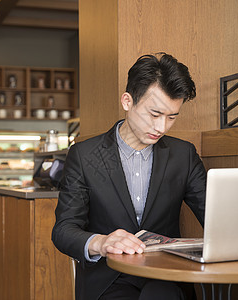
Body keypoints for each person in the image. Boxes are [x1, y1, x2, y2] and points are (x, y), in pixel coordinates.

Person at [52, 52, 206, 300]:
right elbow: (63, 230)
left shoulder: (183, 155)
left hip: (165, 276)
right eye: (154, 114)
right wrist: (101, 242)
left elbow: (214, 213)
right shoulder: (83, 155)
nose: (161, 127)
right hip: (108, 278)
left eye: (172, 117)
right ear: (127, 101)